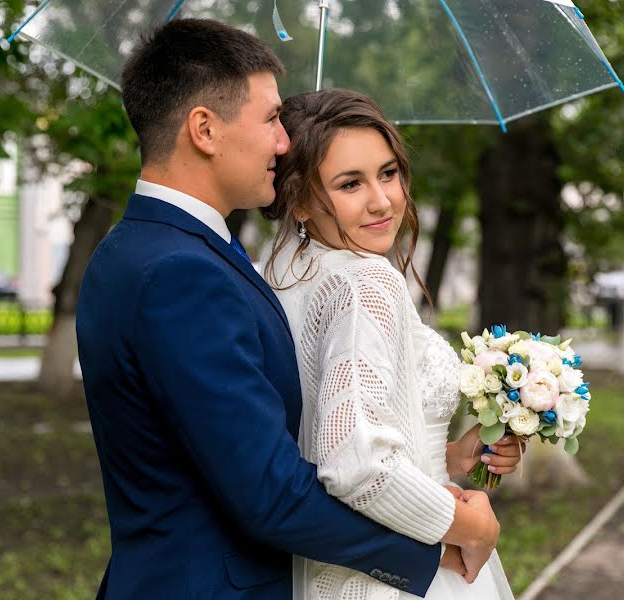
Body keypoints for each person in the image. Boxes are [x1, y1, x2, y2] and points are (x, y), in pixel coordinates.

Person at [76, 19, 516, 600]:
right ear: (204, 130)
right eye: (269, 119)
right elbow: (271, 493)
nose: (283, 143)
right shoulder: (182, 274)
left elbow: (280, 432)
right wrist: (445, 534)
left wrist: (437, 458)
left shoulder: (133, 250)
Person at [262, 89, 520, 599]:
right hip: (402, 570)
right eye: (349, 183)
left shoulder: (283, 274)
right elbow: (357, 466)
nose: (382, 200)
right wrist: (472, 527)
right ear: (300, 200)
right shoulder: (366, 282)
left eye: (388, 173)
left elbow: (325, 435)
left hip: (329, 562)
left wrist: (447, 456)